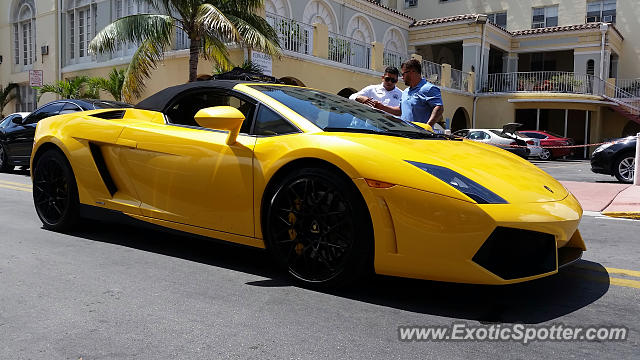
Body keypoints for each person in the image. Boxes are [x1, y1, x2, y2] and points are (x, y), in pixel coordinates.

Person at [373, 59, 444, 128]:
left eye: (403, 74)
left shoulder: (429, 88)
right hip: (405, 134)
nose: (402, 77)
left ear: (412, 72)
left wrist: (427, 127)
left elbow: (439, 108)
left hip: (421, 136)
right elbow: (400, 111)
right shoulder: (406, 92)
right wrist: (382, 107)